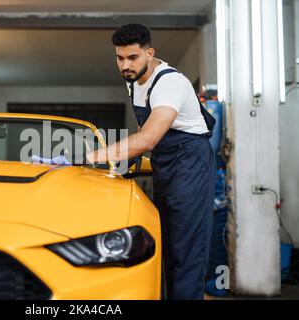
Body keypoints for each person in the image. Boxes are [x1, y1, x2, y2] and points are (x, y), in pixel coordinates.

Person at [86, 24, 216, 300]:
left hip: (190, 163)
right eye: (120, 58)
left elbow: (147, 139)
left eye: (132, 57)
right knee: (166, 244)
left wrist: (90, 158)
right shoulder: (133, 80)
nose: (125, 65)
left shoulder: (169, 83)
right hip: (166, 163)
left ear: (149, 53)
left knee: (187, 250)